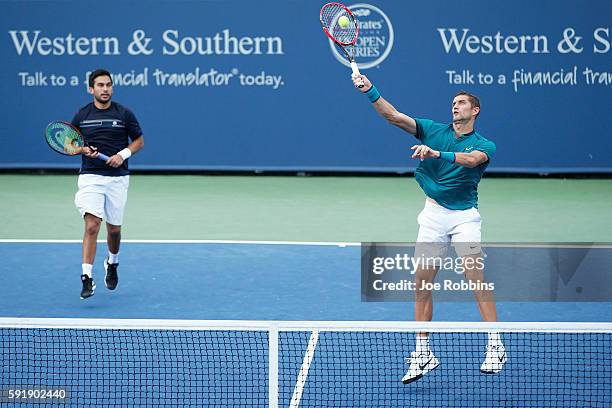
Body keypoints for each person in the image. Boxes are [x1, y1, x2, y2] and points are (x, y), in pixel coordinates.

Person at [351, 74, 506, 383]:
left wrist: (436, 154)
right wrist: (371, 91)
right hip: (433, 216)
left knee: (474, 276)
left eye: (461, 103)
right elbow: (393, 117)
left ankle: (495, 344)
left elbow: (471, 160)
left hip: (464, 218)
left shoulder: (484, 144)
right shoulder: (433, 130)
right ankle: (423, 352)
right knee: (421, 283)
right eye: (453, 103)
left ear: (475, 110)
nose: (455, 107)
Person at [72, 69, 144, 299]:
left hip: (118, 178)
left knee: (113, 230)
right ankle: (86, 277)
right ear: (91, 89)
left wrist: (122, 154)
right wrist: (83, 149)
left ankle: (112, 263)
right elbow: (70, 144)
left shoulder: (124, 113)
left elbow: (139, 141)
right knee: (92, 225)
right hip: (91, 176)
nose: (105, 89)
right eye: (100, 85)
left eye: (108, 85)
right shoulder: (82, 115)